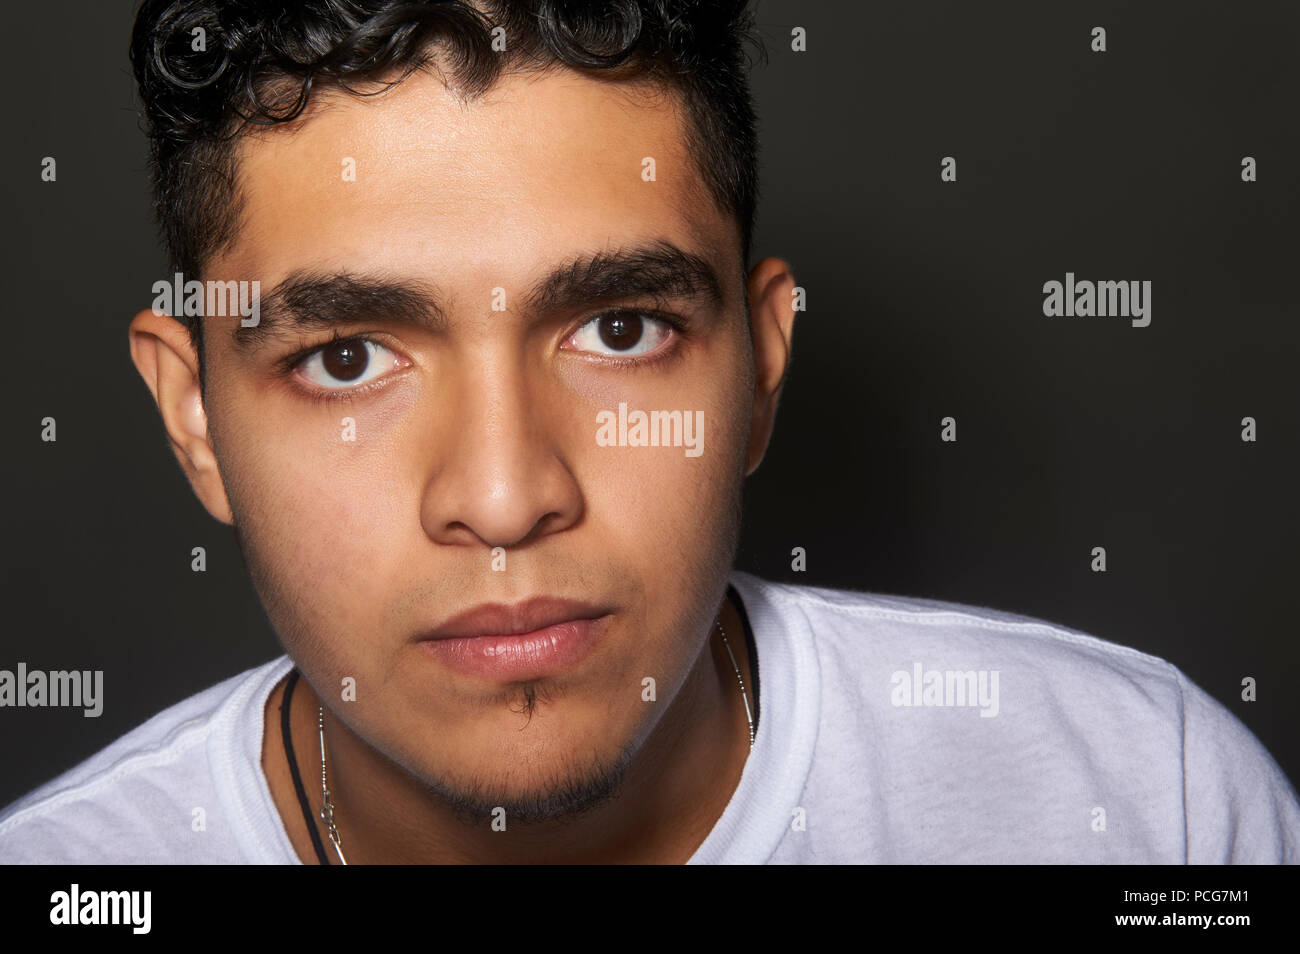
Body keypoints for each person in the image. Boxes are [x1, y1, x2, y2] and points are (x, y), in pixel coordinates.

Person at [1, 0, 1296, 864]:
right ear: (197, 421)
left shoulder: (1149, 805)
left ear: (763, 365)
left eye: (621, 329)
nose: (505, 497)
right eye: (347, 358)